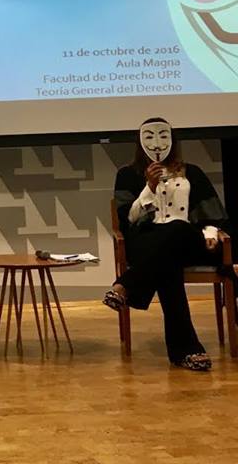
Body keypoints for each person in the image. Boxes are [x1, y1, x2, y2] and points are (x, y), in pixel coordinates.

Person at [105, 117, 231, 371]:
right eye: (150, 137)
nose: (157, 143)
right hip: (147, 242)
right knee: (167, 265)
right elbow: (127, 220)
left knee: (177, 229)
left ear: (173, 141)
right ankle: (186, 351)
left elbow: (213, 215)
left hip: (189, 241)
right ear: (140, 143)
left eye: (163, 136)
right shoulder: (127, 175)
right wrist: (149, 188)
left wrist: (210, 231)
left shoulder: (192, 172)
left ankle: (126, 285)